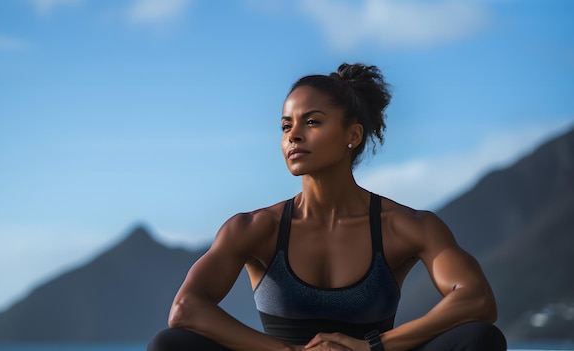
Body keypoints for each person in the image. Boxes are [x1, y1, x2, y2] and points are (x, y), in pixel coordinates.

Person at [147, 63, 507, 351]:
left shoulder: (407, 226)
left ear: (353, 135)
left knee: (480, 339)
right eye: (286, 125)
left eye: (312, 122)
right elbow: (186, 309)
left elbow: (476, 300)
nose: (294, 135)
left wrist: (371, 348)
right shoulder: (253, 228)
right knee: (170, 344)